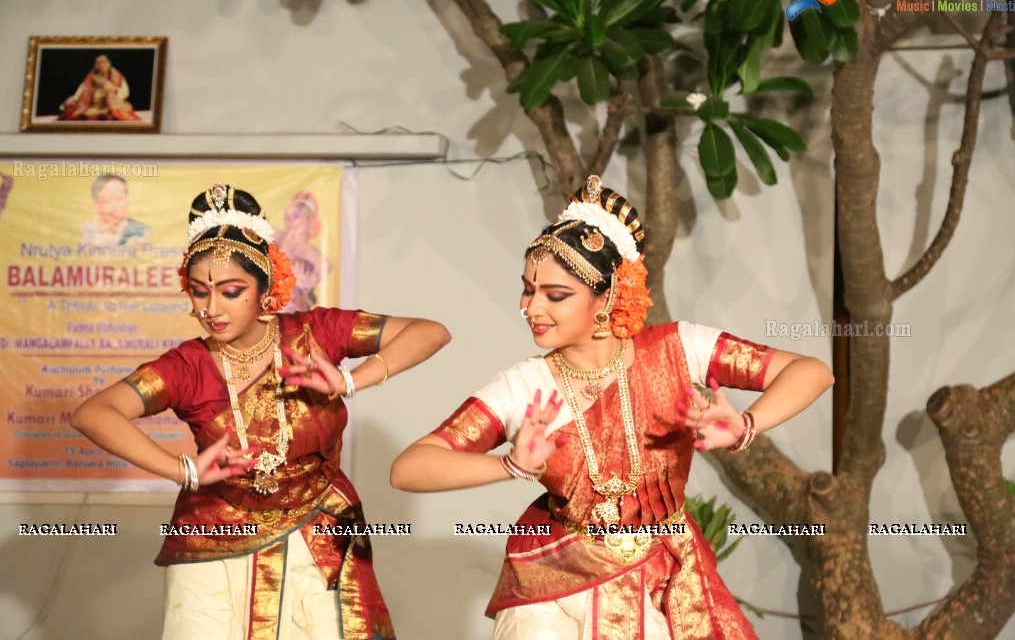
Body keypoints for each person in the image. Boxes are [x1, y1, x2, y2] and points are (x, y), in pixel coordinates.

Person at [390, 176, 834, 638]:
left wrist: (746, 423)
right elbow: (409, 468)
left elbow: (812, 372)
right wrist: (510, 466)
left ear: (608, 297)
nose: (531, 307)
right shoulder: (527, 387)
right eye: (527, 289)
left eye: (555, 295)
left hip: (664, 571)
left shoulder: (678, 349)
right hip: (557, 584)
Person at [72, 183, 450, 639]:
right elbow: (94, 413)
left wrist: (351, 380)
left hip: (318, 526)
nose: (211, 309)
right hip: (214, 536)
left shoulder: (317, 334)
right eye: (198, 292)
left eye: (231, 291)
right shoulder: (187, 366)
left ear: (266, 287)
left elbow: (431, 332)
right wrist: (185, 470)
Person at [275, 190, 332, 312]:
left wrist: (305, 283)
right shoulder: (277, 237)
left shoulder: (316, 257)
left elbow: (322, 271)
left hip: (296, 315)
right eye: (287, 217)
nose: (290, 222)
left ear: (308, 219)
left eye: (296, 216)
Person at [58, 53, 142, 121]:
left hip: (109, 105)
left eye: (104, 62)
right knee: (73, 111)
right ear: (94, 65)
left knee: (117, 113)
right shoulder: (91, 76)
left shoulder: (116, 75)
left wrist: (114, 90)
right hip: (92, 106)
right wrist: (75, 98)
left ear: (109, 63)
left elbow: (125, 92)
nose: (101, 65)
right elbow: (81, 90)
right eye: (98, 63)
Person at [79, 174, 151, 246]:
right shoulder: (85, 231)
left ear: (126, 200)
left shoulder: (141, 231)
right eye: (107, 201)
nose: (115, 206)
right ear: (96, 206)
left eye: (119, 199)